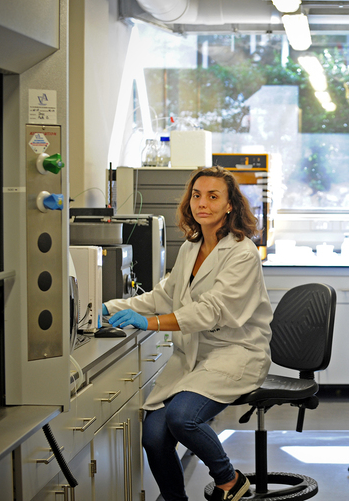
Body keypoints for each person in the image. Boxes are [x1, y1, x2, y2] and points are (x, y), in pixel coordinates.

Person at [102, 166, 273, 501]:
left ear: (229, 205)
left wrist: (150, 323)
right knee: (153, 436)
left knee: (182, 418)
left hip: (236, 353)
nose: (202, 203)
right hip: (193, 357)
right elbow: (163, 296)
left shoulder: (242, 252)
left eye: (213, 196)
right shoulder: (190, 248)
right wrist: (108, 307)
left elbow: (214, 311)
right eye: (197, 195)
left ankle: (230, 480)